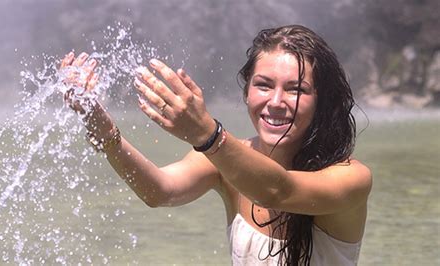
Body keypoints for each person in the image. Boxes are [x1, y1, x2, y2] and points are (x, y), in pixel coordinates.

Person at [61, 25, 372, 266]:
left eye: (296, 90)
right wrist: (101, 127)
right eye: (263, 85)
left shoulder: (350, 178)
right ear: (247, 92)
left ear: (322, 102)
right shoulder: (224, 159)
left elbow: (278, 191)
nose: (276, 102)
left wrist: (206, 134)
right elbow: (158, 191)